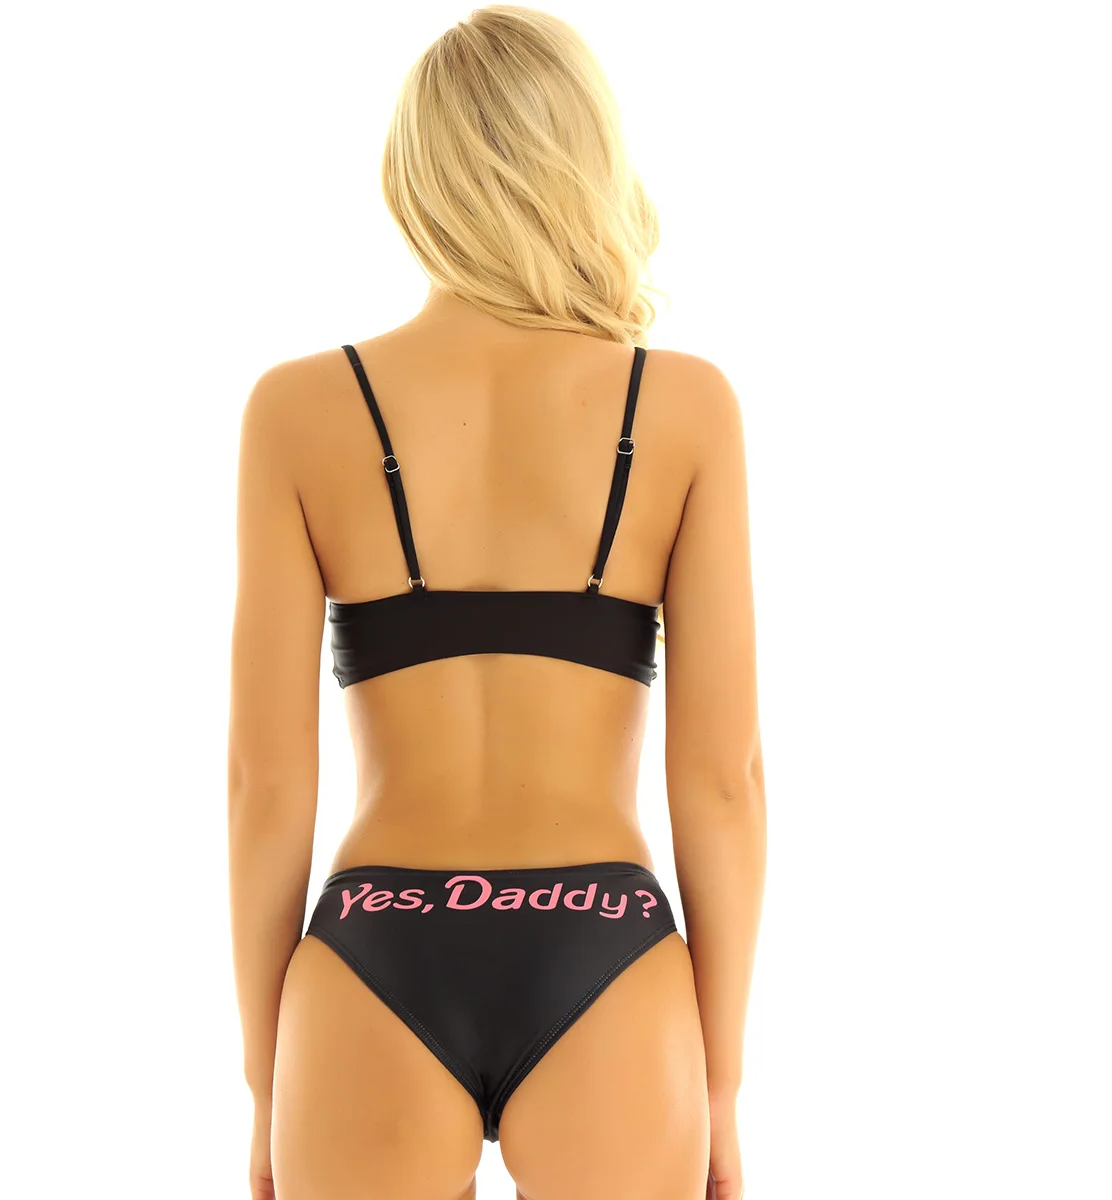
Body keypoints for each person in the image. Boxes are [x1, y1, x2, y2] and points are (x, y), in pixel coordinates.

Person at [228, 7, 766, 1198]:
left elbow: (265, 785)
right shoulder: (683, 409)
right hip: (602, 940)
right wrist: (720, 1087)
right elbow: (723, 781)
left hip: (374, 941)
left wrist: (269, 1087)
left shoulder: (298, 411)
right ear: (589, 162)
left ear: (414, 176)